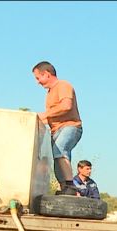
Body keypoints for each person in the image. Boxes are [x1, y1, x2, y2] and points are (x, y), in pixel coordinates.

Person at [32, 61, 83, 195]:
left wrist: (44, 115)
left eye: (38, 78)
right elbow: (51, 116)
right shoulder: (49, 94)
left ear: (47, 74)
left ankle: (70, 185)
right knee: (57, 157)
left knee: (59, 150)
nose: (37, 82)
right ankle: (64, 187)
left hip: (70, 126)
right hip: (56, 130)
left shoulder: (63, 85)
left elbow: (66, 106)